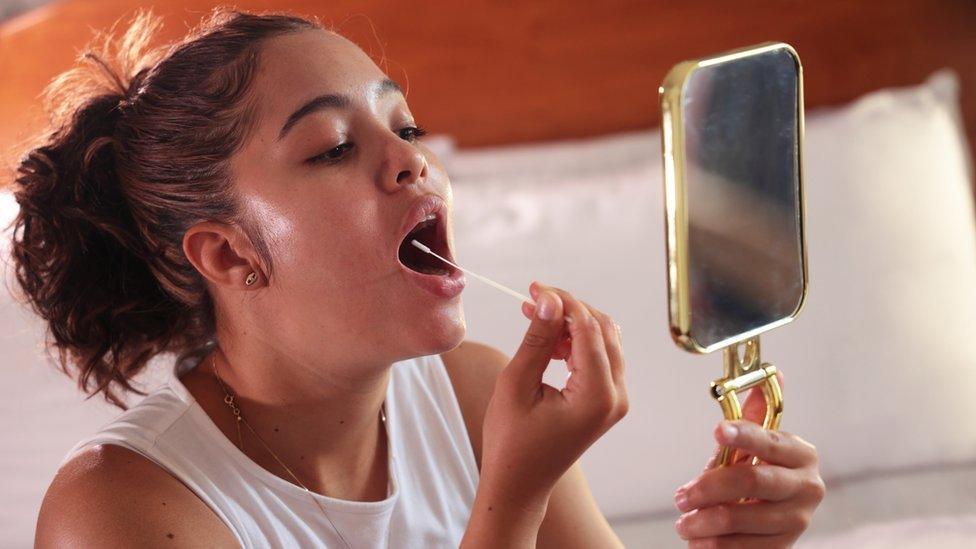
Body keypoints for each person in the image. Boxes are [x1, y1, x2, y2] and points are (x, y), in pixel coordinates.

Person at [11, 7, 823, 548]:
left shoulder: (472, 394)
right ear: (228, 255)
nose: (411, 160)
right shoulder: (118, 510)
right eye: (333, 146)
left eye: (405, 126)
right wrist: (511, 497)